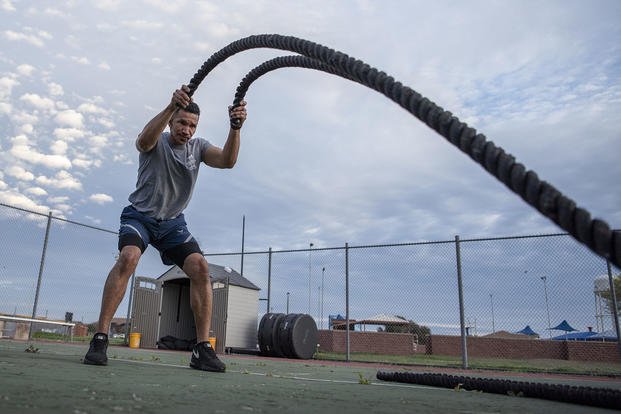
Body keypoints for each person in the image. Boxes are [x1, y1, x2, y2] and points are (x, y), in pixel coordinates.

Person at [83, 85, 247, 373]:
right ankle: (100, 337)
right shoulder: (156, 140)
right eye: (182, 122)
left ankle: (201, 349)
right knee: (129, 257)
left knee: (200, 268)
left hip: (173, 223)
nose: (187, 130)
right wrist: (171, 106)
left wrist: (235, 127)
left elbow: (228, 161)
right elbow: (142, 141)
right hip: (140, 217)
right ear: (172, 122)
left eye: (192, 125)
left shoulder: (198, 148)